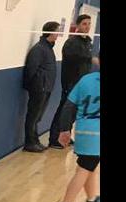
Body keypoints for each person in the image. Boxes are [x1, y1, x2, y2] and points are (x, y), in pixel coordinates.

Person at [52, 53, 100, 202]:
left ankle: (92, 199)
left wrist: (64, 130)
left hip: (82, 130)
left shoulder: (86, 80)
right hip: (97, 135)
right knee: (85, 167)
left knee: (89, 165)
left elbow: (68, 106)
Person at [48, 14, 95, 149]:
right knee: (64, 111)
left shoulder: (87, 42)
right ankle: (54, 139)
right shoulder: (72, 42)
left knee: (74, 112)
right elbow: (73, 58)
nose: (87, 27)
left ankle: (65, 136)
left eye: (89, 24)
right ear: (78, 25)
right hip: (71, 83)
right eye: (84, 24)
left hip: (83, 84)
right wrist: (89, 58)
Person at [22, 21, 62, 152]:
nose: (58, 34)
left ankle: (35, 140)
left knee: (37, 117)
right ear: (50, 32)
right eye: (57, 31)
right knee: (33, 116)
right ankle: (30, 143)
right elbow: (31, 70)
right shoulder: (39, 49)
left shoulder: (48, 48)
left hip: (46, 88)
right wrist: (37, 85)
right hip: (40, 88)